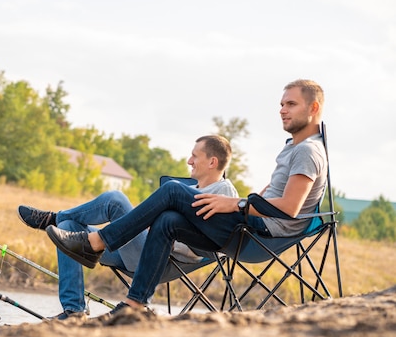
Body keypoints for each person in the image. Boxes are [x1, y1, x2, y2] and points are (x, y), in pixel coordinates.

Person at [46, 79, 328, 316]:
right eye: (281, 104)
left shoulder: (307, 151)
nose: (282, 110)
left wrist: (237, 203)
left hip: (258, 234)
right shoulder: (295, 147)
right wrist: (253, 198)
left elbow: (290, 209)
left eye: (290, 104)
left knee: (170, 191)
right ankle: (134, 305)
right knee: (168, 219)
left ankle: (95, 242)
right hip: (252, 228)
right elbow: (280, 196)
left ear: (313, 108)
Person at [18, 135, 238, 320]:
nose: (189, 160)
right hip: (136, 247)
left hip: (159, 260)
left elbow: (205, 239)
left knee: (115, 199)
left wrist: (160, 229)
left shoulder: (223, 194)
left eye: (195, 156)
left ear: (212, 162)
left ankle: (52, 218)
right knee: (68, 228)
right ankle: (73, 310)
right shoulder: (189, 189)